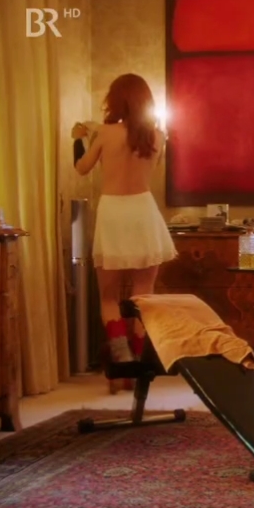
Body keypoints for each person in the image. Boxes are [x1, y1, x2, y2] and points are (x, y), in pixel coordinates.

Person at [72, 73, 176, 364]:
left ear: (116, 100)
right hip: (143, 211)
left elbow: (81, 168)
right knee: (144, 295)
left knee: (108, 295)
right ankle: (140, 356)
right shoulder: (158, 136)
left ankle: (122, 356)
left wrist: (79, 139)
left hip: (114, 212)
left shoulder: (106, 134)